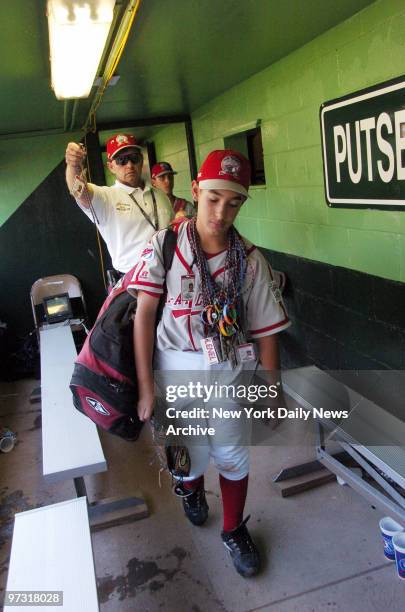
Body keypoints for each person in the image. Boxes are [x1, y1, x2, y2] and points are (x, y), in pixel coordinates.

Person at [131, 149, 290, 578]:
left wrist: (271, 391)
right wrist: (146, 387)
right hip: (176, 367)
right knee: (188, 456)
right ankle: (192, 491)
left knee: (234, 455)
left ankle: (234, 528)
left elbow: (265, 332)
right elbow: (144, 316)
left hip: (229, 370)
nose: (222, 212)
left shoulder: (251, 260)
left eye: (234, 202)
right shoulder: (166, 244)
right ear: (196, 191)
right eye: (214, 198)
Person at [65, 134, 173, 275]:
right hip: (133, 282)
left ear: (141, 160)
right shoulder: (106, 197)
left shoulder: (160, 195)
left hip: (170, 275)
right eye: (121, 160)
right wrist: (74, 166)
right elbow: (79, 192)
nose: (129, 165)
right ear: (111, 166)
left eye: (134, 158)